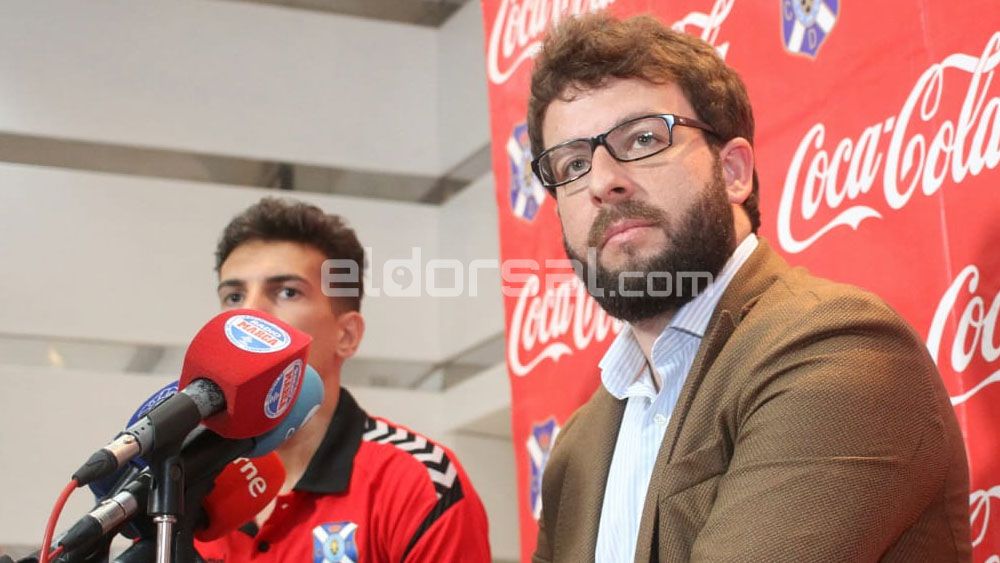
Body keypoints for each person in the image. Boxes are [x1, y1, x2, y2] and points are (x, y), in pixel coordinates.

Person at [527, 13, 971, 563]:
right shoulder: (575, 449)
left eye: (641, 138)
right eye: (571, 164)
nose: (600, 181)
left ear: (733, 170)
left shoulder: (838, 350)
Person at [194, 197, 491, 562]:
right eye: (234, 296)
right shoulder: (185, 485)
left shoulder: (418, 481)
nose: (249, 314)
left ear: (347, 335)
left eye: (287, 292)